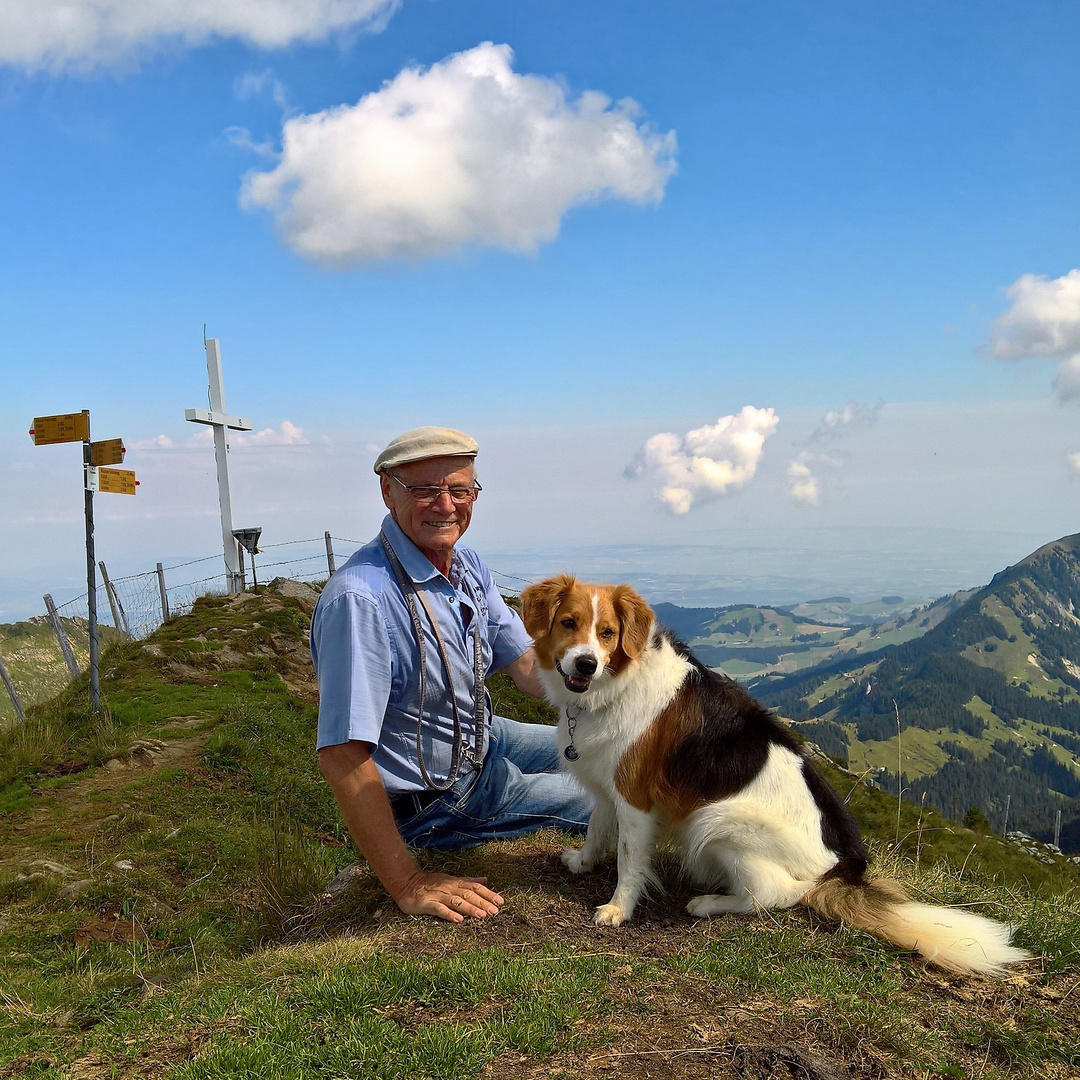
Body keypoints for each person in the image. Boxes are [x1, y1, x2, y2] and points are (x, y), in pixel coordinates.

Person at [311, 426, 591, 924]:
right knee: (612, 797)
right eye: (424, 490)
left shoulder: (464, 563)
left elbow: (526, 664)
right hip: (441, 798)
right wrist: (408, 883)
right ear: (387, 491)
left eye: (460, 489)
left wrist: (624, 703)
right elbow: (342, 754)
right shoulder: (362, 600)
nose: (445, 505)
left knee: (613, 753)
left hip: (484, 738)